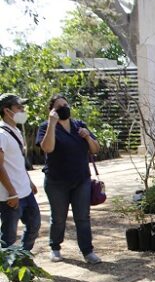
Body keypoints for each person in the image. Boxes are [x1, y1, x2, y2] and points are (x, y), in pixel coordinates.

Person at [36, 94, 102, 264]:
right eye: (59, 106)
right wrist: (51, 123)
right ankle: (55, 248)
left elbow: (95, 149)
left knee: (83, 217)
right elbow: (48, 148)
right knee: (59, 218)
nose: (64, 107)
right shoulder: (45, 127)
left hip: (81, 180)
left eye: (66, 104)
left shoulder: (79, 125)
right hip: (57, 182)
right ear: (52, 110)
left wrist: (87, 136)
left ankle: (88, 251)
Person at [0, 94, 40, 251]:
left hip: (25, 191)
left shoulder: (15, 130)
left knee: (34, 225)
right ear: (7, 110)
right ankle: (10, 269)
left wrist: (29, 182)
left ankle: (22, 258)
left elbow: (18, 162)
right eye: (19, 107)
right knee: (8, 237)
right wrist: (11, 192)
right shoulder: (2, 134)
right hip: (11, 195)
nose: (23, 110)